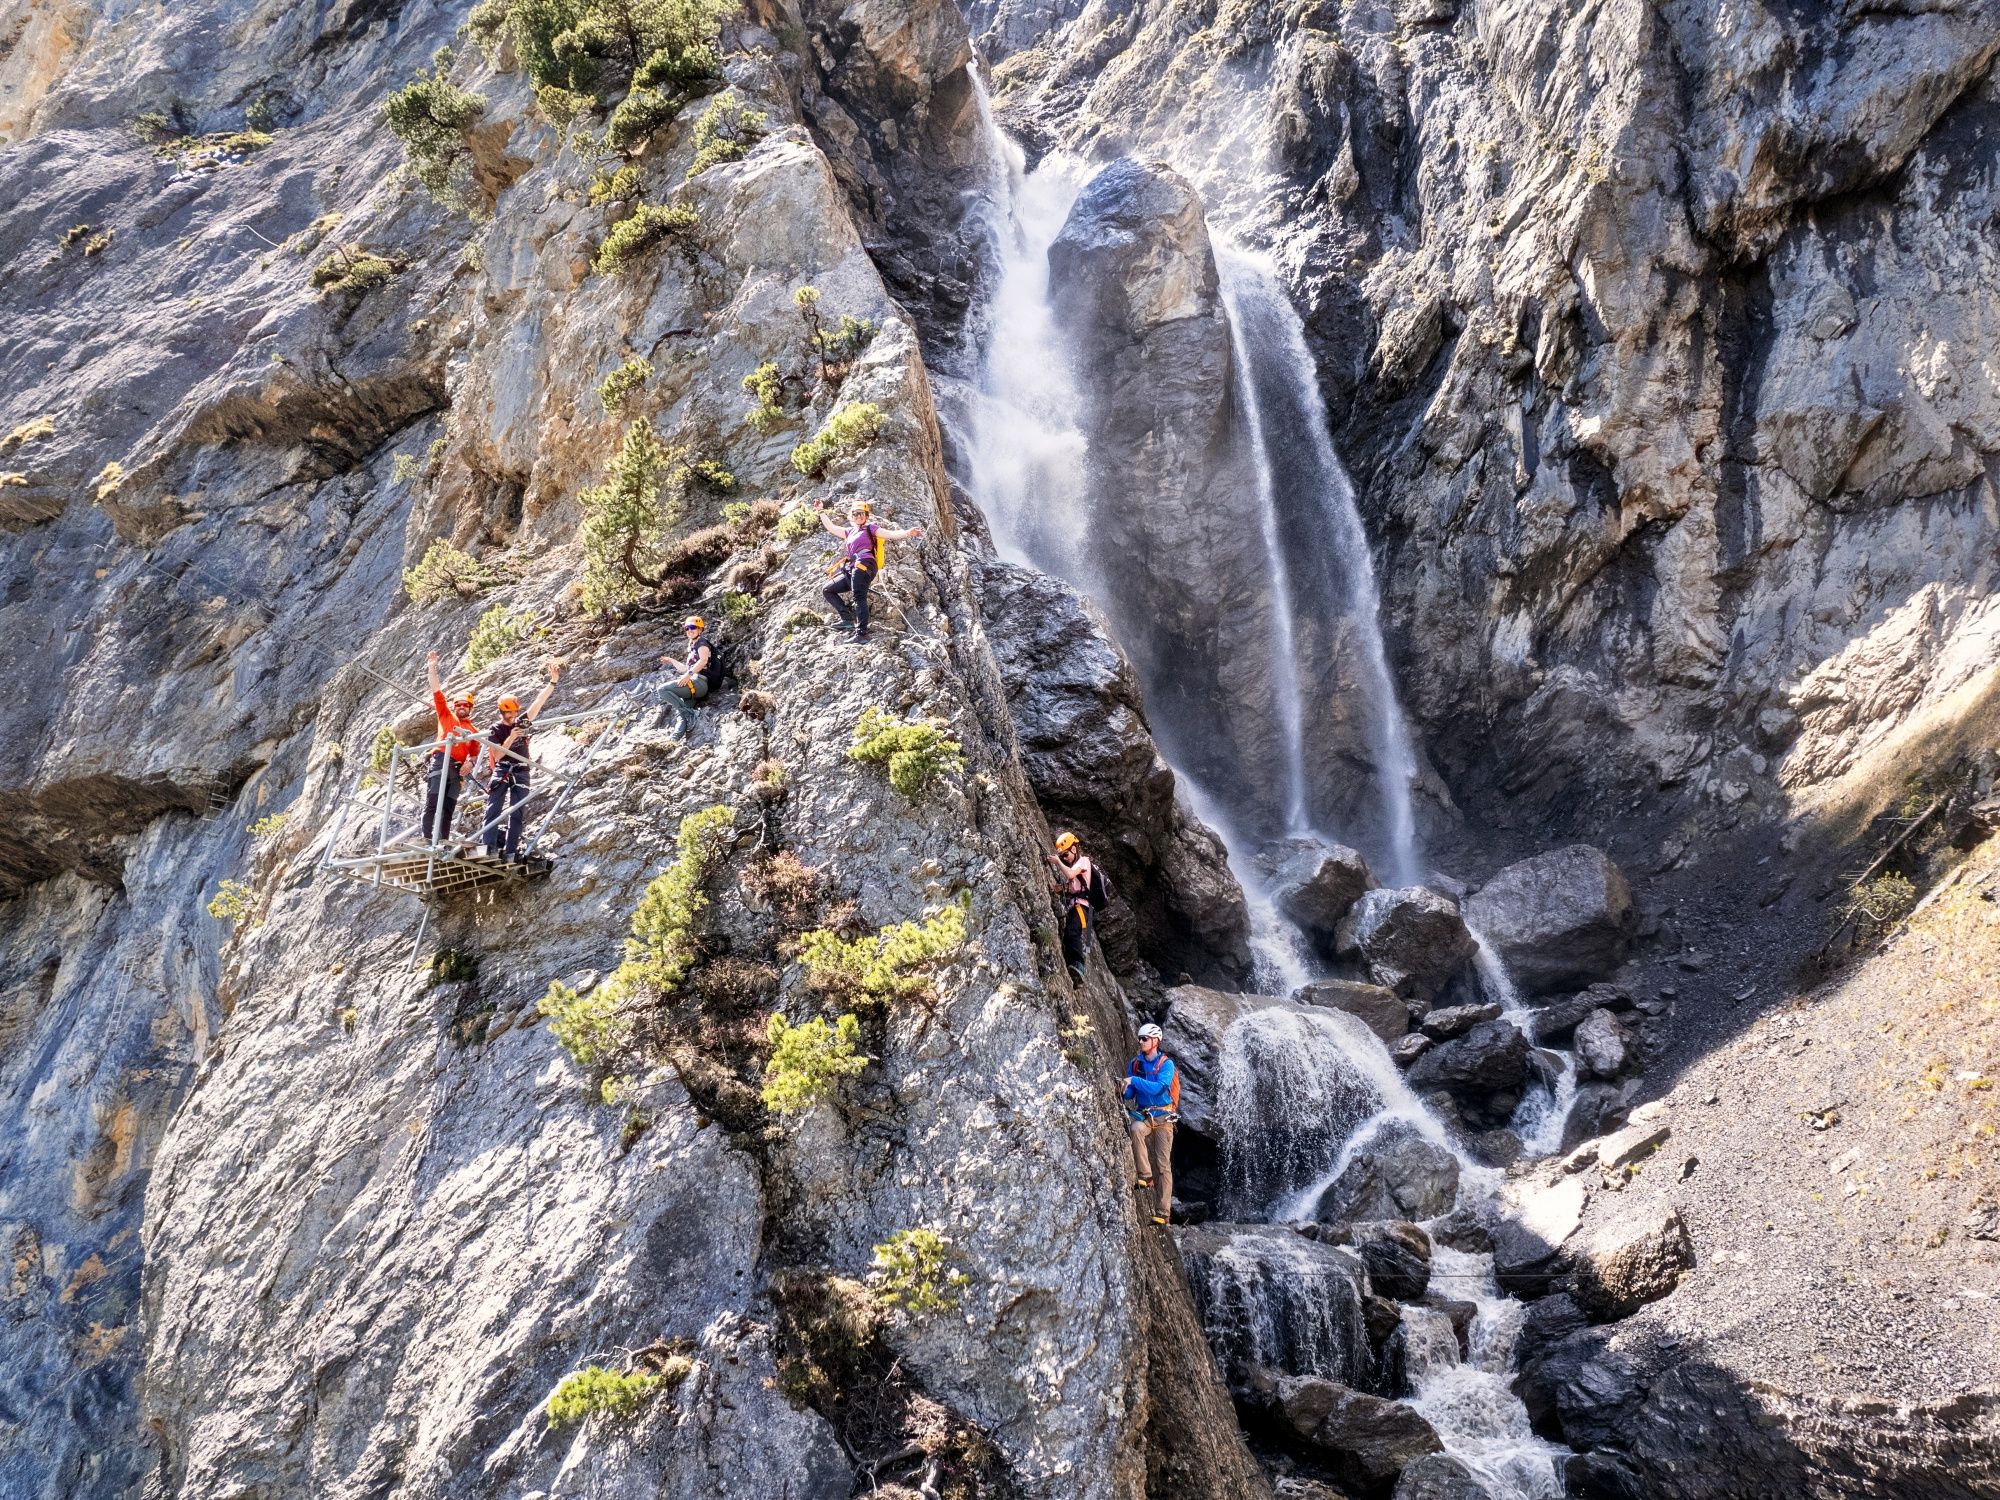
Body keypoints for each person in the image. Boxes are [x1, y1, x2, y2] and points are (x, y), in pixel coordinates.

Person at [477, 658, 561, 862]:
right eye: (509, 713)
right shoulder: (496, 729)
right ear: (502, 712)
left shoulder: (522, 721)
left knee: (517, 812)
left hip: (522, 770)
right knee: (494, 807)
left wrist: (553, 682)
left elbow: (537, 704)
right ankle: (487, 847)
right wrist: (512, 736)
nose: (514, 716)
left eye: (515, 712)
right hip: (504, 768)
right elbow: (497, 755)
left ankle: (510, 851)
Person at [818, 499, 923, 645]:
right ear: (852, 516)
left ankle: (862, 634)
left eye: (862, 513)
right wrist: (821, 511)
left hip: (864, 564)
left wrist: (908, 533)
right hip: (852, 567)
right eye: (855, 513)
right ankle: (846, 620)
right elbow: (831, 527)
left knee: (858, 597)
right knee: (828, 589)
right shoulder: (850, 531)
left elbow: (890, 534)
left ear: (866, 516)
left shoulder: (870, 528)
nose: (858, 516)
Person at [420, 649, 481, 845]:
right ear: (455, 707)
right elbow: (436, 690)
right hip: (441, 762)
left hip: (457, 771)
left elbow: (474, 754)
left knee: (448, 806)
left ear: (470, 708)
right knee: (433, 802)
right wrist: (432, 667)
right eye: (459, 704)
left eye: (465, 705)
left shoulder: (473, 730)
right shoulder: (446, 715)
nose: (462, 707)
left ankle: (443, 841)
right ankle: (427, 839)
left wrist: (470, 764)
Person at [1123, 1022, 1178, 1226]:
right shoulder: (1135, 1064)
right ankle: (1145, 1176)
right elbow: (1131, 1094)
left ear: (1155, 1041)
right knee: (1135, 1129)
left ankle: (1163, 1213)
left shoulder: (1166, 1064)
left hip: (1164, 1117)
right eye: (1139, 1038)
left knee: (1163, 1165)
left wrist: (1133, 1082)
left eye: (1144, 1038)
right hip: (1145, 1115)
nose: (1140, 1041)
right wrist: (1124, 1089)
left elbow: (1159, 1088)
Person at [1049, 831, 1105, 983]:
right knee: (1068, 934)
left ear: (1074, 849)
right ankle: (1072, 967)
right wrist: (1059, 889)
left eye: (1065, 855)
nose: (1064, 859)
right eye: (1062, 857)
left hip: (1082, 907)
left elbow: (1070, 875)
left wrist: (1057, 862)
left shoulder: (1083, 861)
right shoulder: (1075, 865)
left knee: (1073, 932)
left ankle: (1078, 966)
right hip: (1075, 906)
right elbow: (1073, 888)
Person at [653, 616, 716, 737]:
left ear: (700, 629)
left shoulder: (702, 643)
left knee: (662, 689)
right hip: (694, 683)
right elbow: (685, 669)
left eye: (692, 627)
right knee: (681, 714)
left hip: (700, 682)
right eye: (687, 628)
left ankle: (690, 714)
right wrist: (671, 661)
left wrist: (688, 675)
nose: (689, 630)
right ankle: (675, 738)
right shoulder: (693, 648)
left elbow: (703, 661)